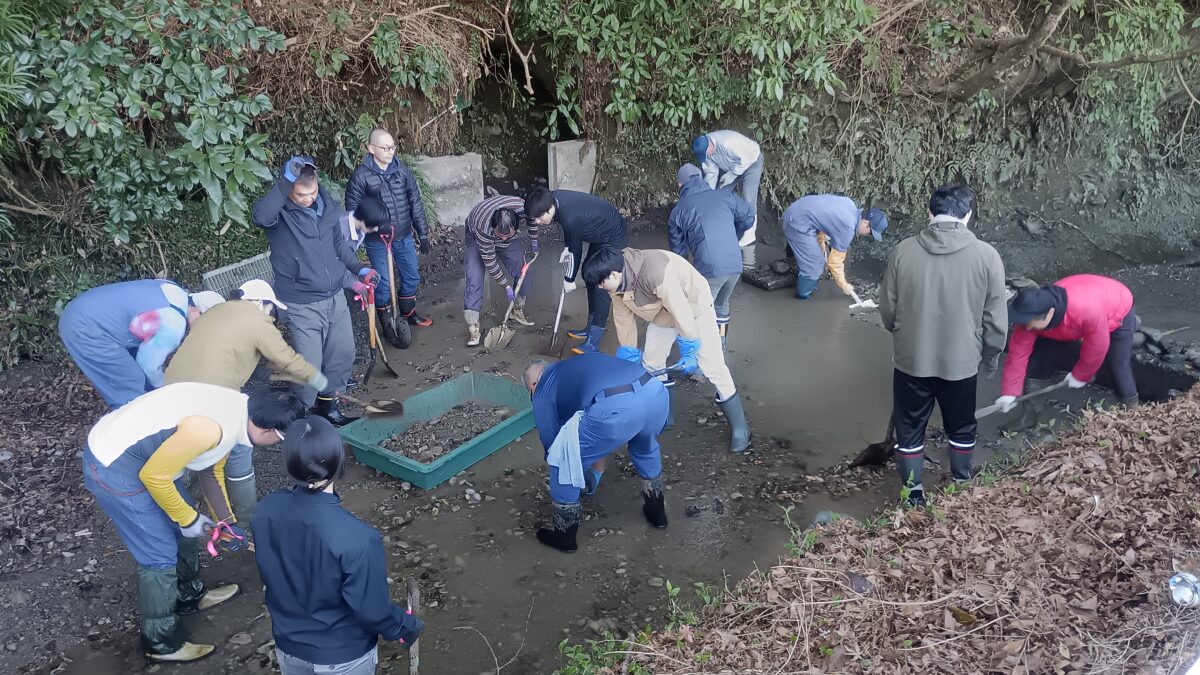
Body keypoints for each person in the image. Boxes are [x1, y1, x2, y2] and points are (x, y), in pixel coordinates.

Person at [82, 384, 305, 662]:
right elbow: (155, 478)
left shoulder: (237, 412)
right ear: (267, 430)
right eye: (281, 439)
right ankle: (161, 644)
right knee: (159, 553)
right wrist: (189, 519)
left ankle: (189, 595)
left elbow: (211, 469)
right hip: (115, 463)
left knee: (179, 525)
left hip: (155, 457)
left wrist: (226, 524)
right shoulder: (208, 429)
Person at [253, 416, 424, 674]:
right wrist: (404, 627)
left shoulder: (265, 510)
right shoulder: (359, 538)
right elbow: (372, 609)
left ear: (289, 465)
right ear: (339, 463)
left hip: (289, 647)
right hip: (343, 656)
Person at [879, 184, 1007, 506]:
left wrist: (903, 335)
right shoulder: (987, 256)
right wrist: (990, 356)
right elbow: (995, 320)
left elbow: (888, 310)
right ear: (968, 215)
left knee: (909, 428)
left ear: (929, 214)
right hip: (961, 363)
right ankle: (962, 484)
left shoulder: (903, 251)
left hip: (911, 361)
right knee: (961, 425)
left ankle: (912, 493)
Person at [164, 279, 327, 525]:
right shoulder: (256, 319)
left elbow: (237, 355)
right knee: (239, 445)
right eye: (271, 309)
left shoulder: (217, 312)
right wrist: (319, 380)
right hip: (210, 392)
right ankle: (247, 518)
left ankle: (187, 480)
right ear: (260, 303)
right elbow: (285, 357)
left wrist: (273, 376)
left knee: (193, 441)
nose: (271, 314)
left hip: (171, 390)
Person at [582, 247, 751, 453]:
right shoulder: (616, 286)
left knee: (712, 364)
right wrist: (628, 350)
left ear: (614, 274)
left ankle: (740, 428)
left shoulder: (655, 272)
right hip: (661, 314)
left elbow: (681, 310)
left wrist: (689, 348)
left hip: (693, 306)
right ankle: (664, 415)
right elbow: (623, 318)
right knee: (651, 362)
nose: (600, 287)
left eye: (601, 283)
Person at [252, 156, 375, 425]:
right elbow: (260, 217)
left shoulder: (327, 205)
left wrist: (359, 269)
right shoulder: (280, 213)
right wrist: (284, 183)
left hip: (333, 297)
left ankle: (329, 410)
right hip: (300, 302)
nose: (308, 198)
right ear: (289, 188)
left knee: (342, 355)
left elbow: (338, 246)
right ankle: (302, 417)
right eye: (301, 194)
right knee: (308, 365)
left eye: (312, 192)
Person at [523, 355, 670, 552]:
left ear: (533, 385)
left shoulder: (543, 390)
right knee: (645, 448)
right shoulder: (575, 366)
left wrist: (570, 467)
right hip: (655, 392)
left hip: (617, 409)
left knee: (562, 460)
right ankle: (657, 514)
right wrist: (596, 468)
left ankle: (564, 536)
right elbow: (591, 416)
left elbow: (552, 443)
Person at [59, 280, 225, 409]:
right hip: (86, 328)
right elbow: (148, 365)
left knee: (139, 376)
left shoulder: (173, 290)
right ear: (196, 312)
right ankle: (133, 440)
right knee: (131, 385)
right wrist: (167, 390)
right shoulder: (173, 325)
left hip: (84, 306)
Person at [995, 275, 1139, 410]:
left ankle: (1131, 410)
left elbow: (1098, 345)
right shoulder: (1029, 317)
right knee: (1039, 359)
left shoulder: (1085, 311)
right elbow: (1017, 356)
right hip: (1071, 316)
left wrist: (1081, 374)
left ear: (1049, 314)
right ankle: (1030, 415)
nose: (1026, 327)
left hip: (1116, 305)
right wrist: (1010, 393)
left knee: (1118, 362)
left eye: (1030, 322)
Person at [344, 128, 434, 328]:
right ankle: (387, 323)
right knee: (382, 284)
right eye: (385, 148)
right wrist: (365, 232)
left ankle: (408, 314)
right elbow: (353, 210)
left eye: (392, 147)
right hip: (377, 240)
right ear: (371, 148)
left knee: (412, 275)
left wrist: (423, 233)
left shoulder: (402, 171)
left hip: (403, 235)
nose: (390, 151)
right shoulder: (360, 176)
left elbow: (415, 202)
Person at [524, 187, 629, 354]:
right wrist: (567, 249)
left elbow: (576, 249)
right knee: (589, 274)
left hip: (613, 235)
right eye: (534, 218)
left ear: (550, 208)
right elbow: (571, 236)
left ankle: (593, 342)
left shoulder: (569, 215)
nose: (537, 221)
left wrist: (569, 279)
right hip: (599, 233)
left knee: (601, 282)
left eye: (539, 216)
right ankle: (590, 326)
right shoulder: (554, 200)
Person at [668, 163, 755, 348]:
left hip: (710, 268)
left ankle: (702, 364)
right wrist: (734, 236)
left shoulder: (679, 211)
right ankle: (720, 346)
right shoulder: (725, 196)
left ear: (679, 184)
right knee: (721, 305)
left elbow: (678, 253)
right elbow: (748, 217)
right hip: (734, 264)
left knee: (700, 313)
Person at [782, 194, 888, 306]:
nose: (867, 235)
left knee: (816, 253)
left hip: (795, 211)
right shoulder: (848, 228)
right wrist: (844, 285)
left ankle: (793, 266)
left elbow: (822, 214)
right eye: (870, 233)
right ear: (866, 223)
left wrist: (820, 240)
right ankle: (801, 299)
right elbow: (834, 263)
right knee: (816, 265)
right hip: (796, 224)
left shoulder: (849, 204)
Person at [463, 194, 539, 346]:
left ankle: (516, 310)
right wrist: (507, 286)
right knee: (474, 278)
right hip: (475, 235)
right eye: (500, 235)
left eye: (508, 235)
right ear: (493, 228)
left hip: (502, 231)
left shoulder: (523, 208)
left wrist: (534, 240)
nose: (503, 239)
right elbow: (490, 262)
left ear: (516, 226)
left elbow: (532, 220)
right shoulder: (483, 228)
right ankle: (473, 328)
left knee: (525, 270)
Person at [691, 129, 763, 270]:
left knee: (748, 199)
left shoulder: (729, 143)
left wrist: (731, 175)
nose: (706, 157)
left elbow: (746, 159)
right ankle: (721, 226)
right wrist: (709, 195)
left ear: (710, 146)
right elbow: (711, 173)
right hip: (731, 167)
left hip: (751, 162)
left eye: (706, 154)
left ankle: (749, 234)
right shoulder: (707, 152)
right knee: (720, 194)